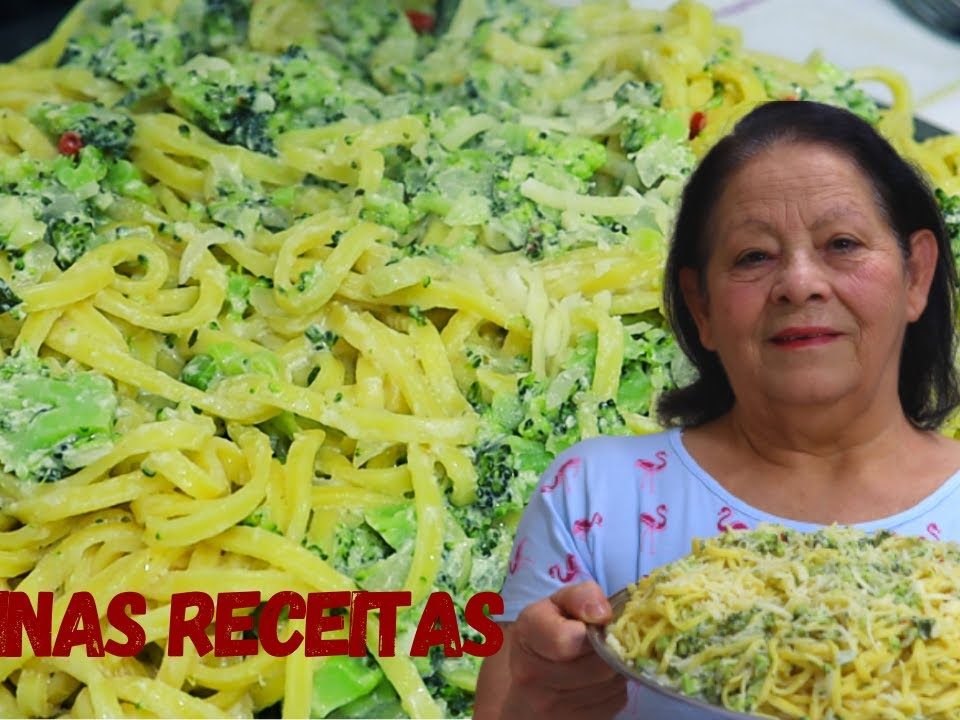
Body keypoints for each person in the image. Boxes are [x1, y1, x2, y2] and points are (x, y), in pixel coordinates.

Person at [473, 100, 960, 720]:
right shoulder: (594, 496)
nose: (799, 283)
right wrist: (540, 700)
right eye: (754, 257)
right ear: (700, 304)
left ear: (916, 275)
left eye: (842, 243)